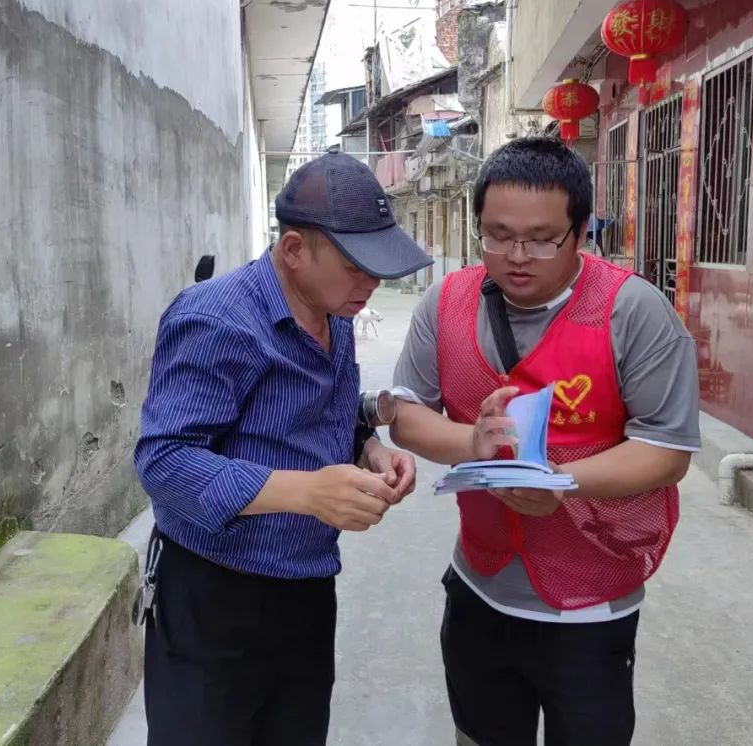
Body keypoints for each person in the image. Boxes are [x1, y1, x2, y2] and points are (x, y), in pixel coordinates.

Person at [389, 136, 700, 746]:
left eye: (541, 238)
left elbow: (667, 450)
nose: (516, 256)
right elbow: (405, 414)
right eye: (497, 234)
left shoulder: (632, 311)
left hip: (591, 603)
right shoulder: (446, 302)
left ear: (581, 232)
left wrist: (562, 482)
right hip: (479, 587)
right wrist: (471, 441)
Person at [134, 149, 430, 746]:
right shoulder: (216, 320)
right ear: (294, 250)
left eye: (378, 268)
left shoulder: (335, 312)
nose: (371, 284)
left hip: (306, 586)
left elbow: (329, 412)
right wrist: (307, 492)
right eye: (356, 266)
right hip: (215, 592)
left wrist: (368, 448)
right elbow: (164, 461)